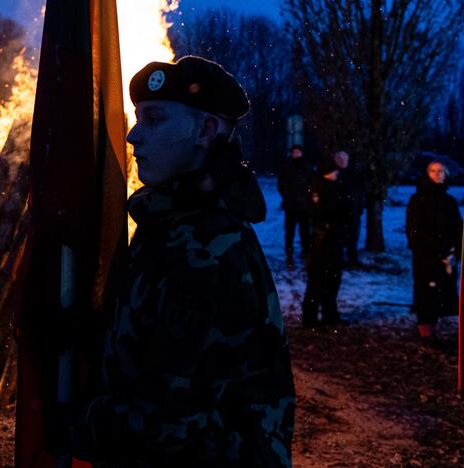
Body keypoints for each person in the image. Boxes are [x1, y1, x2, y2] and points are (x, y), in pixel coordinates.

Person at [71, 56, 295, 466]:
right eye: (138, 118)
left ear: (206, 130)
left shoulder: (207, 249)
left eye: (154, 120)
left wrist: (76, 422)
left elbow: (167, 418)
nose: (135, 135)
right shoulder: (172, 226)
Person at [405, 161, 462, 341]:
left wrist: (455, 248)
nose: (437, 174)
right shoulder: (418, 199)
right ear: (427, 174)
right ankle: (425, 329)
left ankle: (434, 326)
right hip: (426, 256)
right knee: (426, 292)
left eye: (440, 171)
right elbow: (415, 229)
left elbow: (457, 227)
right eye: (433, 171)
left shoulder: (449, 201)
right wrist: (435, 249)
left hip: (447, 255)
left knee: (441, 292)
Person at [302, 156, 352, 327]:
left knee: (333, 279)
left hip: (334, 240)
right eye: (333, 170)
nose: (336, 172)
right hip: (322, 242)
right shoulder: (318, 187)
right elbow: (318, 213)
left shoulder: (336, 186)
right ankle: (310, 317)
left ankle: (330, 314)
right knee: (317, 279)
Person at [277, 144, 312, 269]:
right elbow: (281, 184)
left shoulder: (307, 167)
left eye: (298, 152)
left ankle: (307, 256)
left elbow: (311, 184)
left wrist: (308, 198)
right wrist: (288, 196)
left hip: (304, 207)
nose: (296, 154)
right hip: (291, 206)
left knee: (305, 233)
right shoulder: (287, 167)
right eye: (294, 152)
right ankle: (289, 256)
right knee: (290, 232)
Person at [333, 150, 366, 267]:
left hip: (353, 211)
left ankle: (352, 259)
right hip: (338, 212)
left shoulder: (354, 174)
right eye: (339, 159)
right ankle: (339, 260)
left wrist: (359, 207)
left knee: (353, 236)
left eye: (343, 159)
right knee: (339, 237)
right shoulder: (334, 174)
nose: (341, 161)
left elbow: (360, 192)